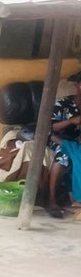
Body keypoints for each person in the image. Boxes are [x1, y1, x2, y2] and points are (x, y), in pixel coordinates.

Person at [47, 75, 81, 218]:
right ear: (78, 85)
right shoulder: (64, 103)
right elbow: (51, 127)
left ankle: (74, 197)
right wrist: (71, 121)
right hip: (58, 138)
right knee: (64, 156)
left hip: (78, 141)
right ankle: (51, 199)